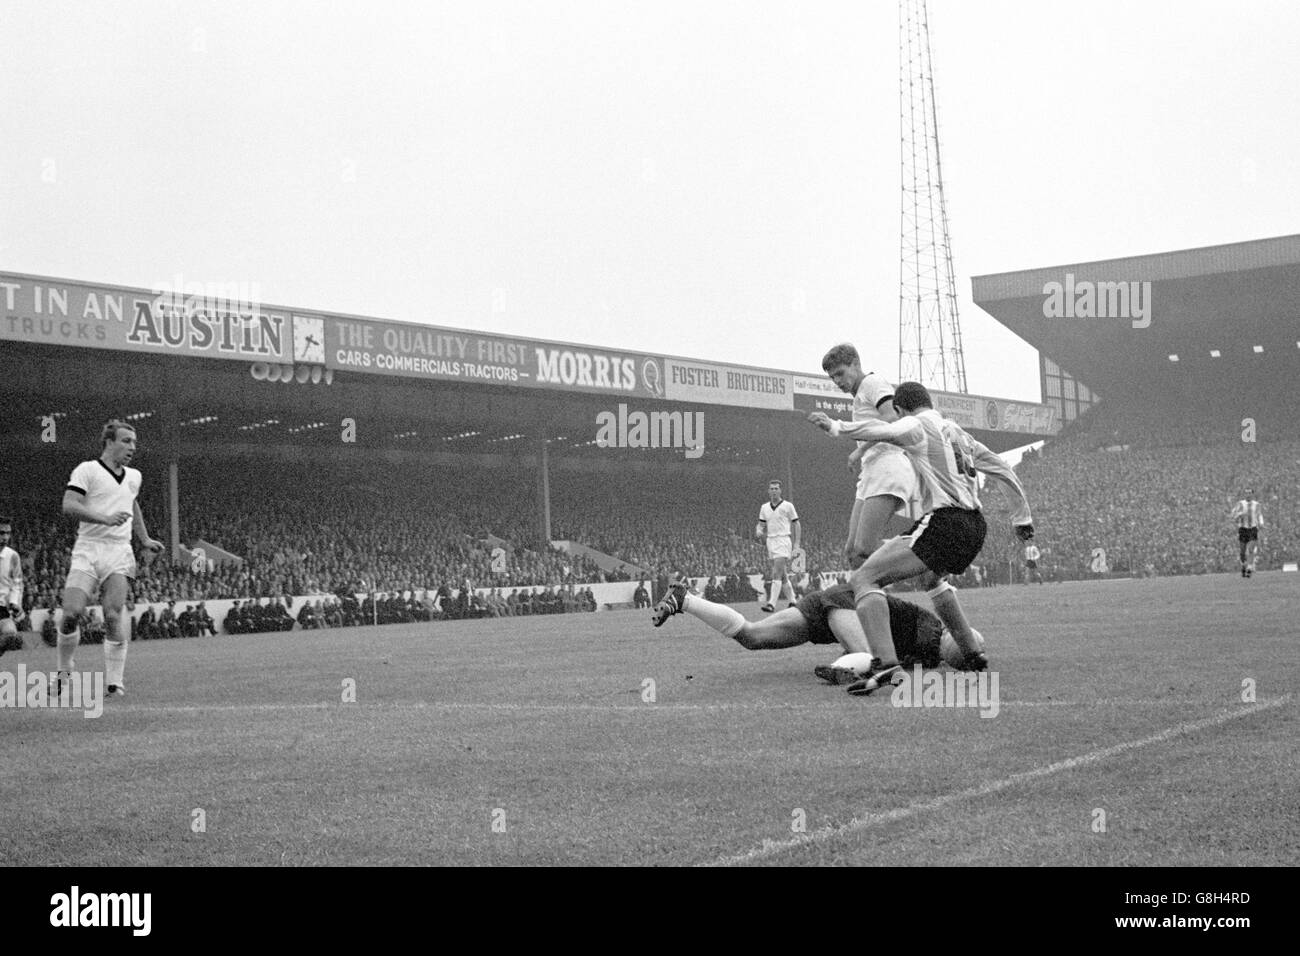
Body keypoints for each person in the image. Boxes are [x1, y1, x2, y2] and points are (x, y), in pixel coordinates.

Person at [808, 382, 1033, 696]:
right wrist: (1022, 517)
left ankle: (886, 665)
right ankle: (971, 651)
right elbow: (1000, 467)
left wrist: (836, 426)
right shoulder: (959, 434)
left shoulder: (915, 424)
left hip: (946, 522)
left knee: (864, 578)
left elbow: (881, 429)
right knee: (930, 576)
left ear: (900, 408)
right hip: (975, 526)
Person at [652, 578, 980, 680]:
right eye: (963, 655)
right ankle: (845, 669)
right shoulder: (933, 630)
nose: (961, 660)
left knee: (753, 637)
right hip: (845, 602)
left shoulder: (931, 655)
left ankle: (686, 600)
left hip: (831, 610)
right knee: (871, 660)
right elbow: (891, 651)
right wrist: (972, 655)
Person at [54, 420, 164, 698]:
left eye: (134, 442)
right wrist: (104, 518)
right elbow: (69, 504)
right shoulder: (87, 470)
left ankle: (115, 684)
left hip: (119, 550)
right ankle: (65, 668)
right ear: (109, 442)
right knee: (71, 614)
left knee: (113, 614)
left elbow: (131, 502)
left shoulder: (134, 476)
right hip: (88, 548)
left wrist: (145, 539)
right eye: (126, 441)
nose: (132, 447)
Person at [819, 344, 920, 569]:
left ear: (855, 364)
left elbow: (893, 419)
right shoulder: (859, 396)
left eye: (840, 373)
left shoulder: (872, 383)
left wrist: (860, 449)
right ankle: (869, 601)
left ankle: (921, 553)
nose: (837, 381)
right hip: (871, 470)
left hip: (888, 464)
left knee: (864, 548)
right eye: (832, 377)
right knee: (853, 553)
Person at [756, 480, 800, 612]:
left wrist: (797, 542)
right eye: (772, 489)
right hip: (771, 541)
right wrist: (758, 530)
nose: (774, 491)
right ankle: (793, 601)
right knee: (783, 574)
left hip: (783, 540)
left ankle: (771, 604)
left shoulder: (788, 506)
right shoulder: (764, 507)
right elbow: (761, 524)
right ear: (768, 491)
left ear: (780, 491)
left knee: (776, 572)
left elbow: (796, 524)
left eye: (776, 488)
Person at [0, 517, 25, 656]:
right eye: (1, 533)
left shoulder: (12, 556)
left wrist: (14, 602)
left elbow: (17, 582)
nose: (5, 537)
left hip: (2, 609)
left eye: (8, 533)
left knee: (11, 636)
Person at [1230, 492, 1264, 578]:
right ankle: (1244, 565)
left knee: (1251, 549)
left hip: (1253, 528)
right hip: (1243, 529)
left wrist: (1261, 522)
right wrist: (1239, 514)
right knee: (1242, 551)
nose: (1248, 495)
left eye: (1249, 493)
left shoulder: (1257, 504)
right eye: (1246, 493)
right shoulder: (1240, 503)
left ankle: (1249, 567)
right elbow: (1233, 515)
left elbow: (1259, 514)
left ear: (1252, 494)